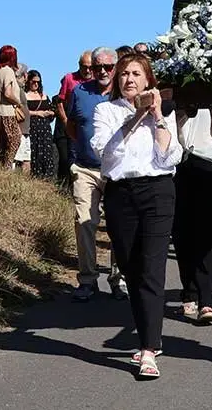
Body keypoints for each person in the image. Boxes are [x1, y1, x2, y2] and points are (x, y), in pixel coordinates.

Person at [91, 53, 183, 379]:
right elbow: (106, 153)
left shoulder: (164, 111)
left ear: (148, 80)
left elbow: (169, 156)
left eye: (136, 74)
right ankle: (147, 334)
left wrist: (156, 115)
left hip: (157, 192)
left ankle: (148, 348)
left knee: (152, 268)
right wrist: (134, 118)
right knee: (131, 269)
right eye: (124, 74)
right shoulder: (106, 111)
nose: (130, 79)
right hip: (120, 194)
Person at [66, 47, 127, 302]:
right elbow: (72, 126)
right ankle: (88, 280)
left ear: (115, 68)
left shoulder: (124, 93)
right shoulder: (80, 92)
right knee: (84, 222)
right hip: (85, 168)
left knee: (119, 225)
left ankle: (118, 279)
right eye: (97, 67)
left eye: (108, 67)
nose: (102, 71)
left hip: (116, 170)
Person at [173, 106, 212, 323]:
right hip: (179, 163)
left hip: (210, 165)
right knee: (181, 232)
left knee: (206, 235)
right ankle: (189, 292)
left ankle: (207, 300)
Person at [56, 51, 93, 188]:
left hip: (91, 126)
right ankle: (70, 188)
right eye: (84, 67)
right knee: (72, 157)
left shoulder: (97, 79)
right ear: (79, 65)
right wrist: (65, 120)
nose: (87, 70)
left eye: (90, 67)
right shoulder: (69, 78)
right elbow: (59, 101)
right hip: (73, 125)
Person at [0, 46, 24, 168]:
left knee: (0, 143)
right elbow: (8, 93)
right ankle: (6, 167)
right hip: (6, 112)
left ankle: (0, 167)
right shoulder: (7, 71)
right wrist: (18, 102)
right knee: (15, 140)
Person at [26, 69, 57, 180]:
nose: (36, 84)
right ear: (28, 81)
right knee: (34, 153)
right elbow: (22, 112)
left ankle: (47, 179)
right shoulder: (25, 96)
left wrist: (50, 113)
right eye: (33, 81)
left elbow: (53, 110)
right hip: (32, 129)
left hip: (45, 130)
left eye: (38, 82)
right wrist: (38, 113)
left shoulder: (44, 96)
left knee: (47, 153)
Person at [14, 64, 32, 173]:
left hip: (24, 131)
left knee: (26, 160)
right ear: (24, 75)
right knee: (18, 160)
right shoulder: (16, 88)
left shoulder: (20, 88)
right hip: (19, 130)